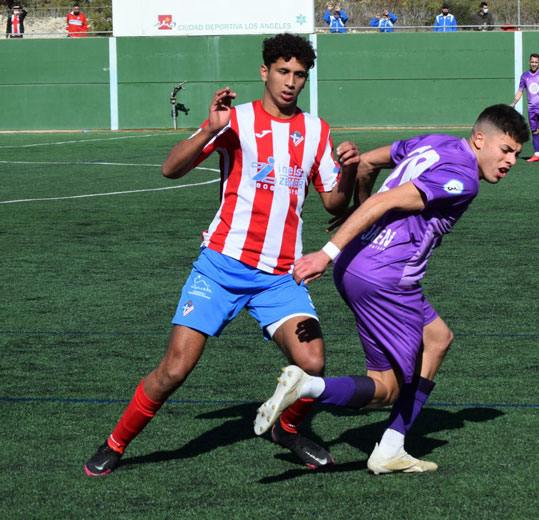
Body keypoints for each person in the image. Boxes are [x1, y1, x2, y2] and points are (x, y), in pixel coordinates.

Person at [83, 33, 360, 476]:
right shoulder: (236, 120)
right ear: (264, 72)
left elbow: (334, 204)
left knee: (312, 363)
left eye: (300, 75)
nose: (291, 82)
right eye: (283, 72)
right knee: (174, 370)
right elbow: (170, 169)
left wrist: (347, 169)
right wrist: (211, 128)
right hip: (221, 268)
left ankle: (286, 429)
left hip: (279, 277)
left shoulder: (317, 130)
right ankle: (116, 443)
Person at [253, 104, 530, 474]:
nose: (511, 160)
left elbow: (366, 163)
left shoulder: (435, 142)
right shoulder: (464, 178)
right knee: (387, 390)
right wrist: (325, 253)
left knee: (438, 338)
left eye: (517, 154)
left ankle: (391, 447)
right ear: (480, 140)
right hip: (386, 278)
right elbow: (385, 200)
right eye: (506, 149)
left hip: (360, 264)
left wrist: (359, 211)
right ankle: (309, 388)